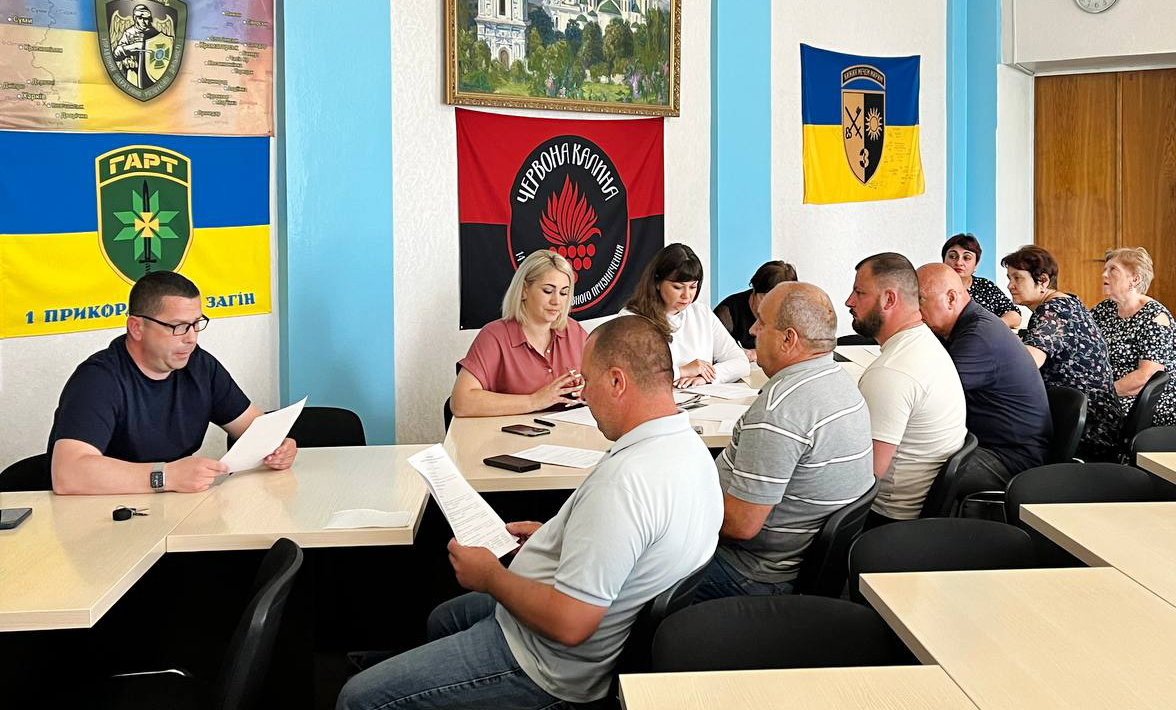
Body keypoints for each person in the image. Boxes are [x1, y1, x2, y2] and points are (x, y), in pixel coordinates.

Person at [337, 315, 722, 710]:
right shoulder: (691, 450)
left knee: (357, 698)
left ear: (617, 382)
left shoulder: (624, 484)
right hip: (583, 628)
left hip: (547, 665)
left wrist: (491, 576)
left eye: (588, 381)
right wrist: (556, 539)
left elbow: (570, 624)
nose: (585, 396)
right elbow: (628, 544)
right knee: (444, 619)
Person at [695, 282, 874, 601]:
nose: (752, 330)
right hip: (798, 564)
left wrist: (676, 515)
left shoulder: (780, 411)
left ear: (788, 339)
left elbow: (740, 526)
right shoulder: (840, 381)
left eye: (761, 323)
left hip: (749, 573)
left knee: (631, 573)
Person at [47, 271, 296, 495]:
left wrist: (280, 446)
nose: (191, 338)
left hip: (174, 509)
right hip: (101, 515)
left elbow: (254, 427)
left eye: (196, 324)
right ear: (136, 327)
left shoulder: (200, 366)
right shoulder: (98, 379)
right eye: (178, 327)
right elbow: (68, 474)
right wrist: (167, 476)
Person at [845, 253, 966, 525]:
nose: (849, 301)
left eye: (859, 292)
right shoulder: (925, 343)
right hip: (916, 514)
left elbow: (864, 479)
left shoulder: (891, 372)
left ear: (889, 300)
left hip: (884, 519)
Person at [917, 263, 1051, 493]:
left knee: (912, 472)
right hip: (987, 443)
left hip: (1010, 457)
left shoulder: (978, 335)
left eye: (920, 300)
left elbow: (929, 397)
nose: (915, 310)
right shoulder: (963, 326)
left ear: (951, 298)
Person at [1001, 245, 1117, 457]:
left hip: (1083, 427)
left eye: (1018, 278)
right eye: (1009, 278)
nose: (1010, 285)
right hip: (1100, 419)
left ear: (1043, 281)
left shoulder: (1052, 310)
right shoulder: (1069, 302)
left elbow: (1028, 363)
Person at [451, 250, 588, 416]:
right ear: (524, 290)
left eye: (564, 293)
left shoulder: (575, 332)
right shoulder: (494, 336)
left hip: (568, 430)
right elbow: (461, 403)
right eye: (547, 290)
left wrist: (587, 392)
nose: (557, 301)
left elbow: (604, 386)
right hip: (511, 432)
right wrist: (534, 401)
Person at [1091, 246, 1176, 429]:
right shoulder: (1104, 309)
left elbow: (1147, 376)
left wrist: (1100, 393)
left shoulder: (1155, 317)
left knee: (1086, 412)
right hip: (1119, 392)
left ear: (1135, 279)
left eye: (1113, 269)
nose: (1104, 275)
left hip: (1157, 398)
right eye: (1105, 269)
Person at [623, 243, 750, 388]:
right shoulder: (631, 319)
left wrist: (706, 377)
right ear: (657, 282)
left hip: (700, 397)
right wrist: (682, 371)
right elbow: (631, 376)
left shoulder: (701, 313)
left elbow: (741, 362)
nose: (687, 295)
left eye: (693, 286)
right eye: (677, 287)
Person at [713, 260, 798, 361]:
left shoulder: (793, 312)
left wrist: (756, 354)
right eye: (767, 299)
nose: (774, 306)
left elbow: (799, 349)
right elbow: (715, 354)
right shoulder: (727, 313)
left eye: (781, 302)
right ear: (754, 290)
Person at [941, 233, 1021, 329]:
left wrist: (991, 326)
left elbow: (1014, 314)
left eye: (966, 258)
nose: (959, 262)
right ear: (943, 260)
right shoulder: (933, 286)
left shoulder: (985, 286)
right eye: (953, 256)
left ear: (976, 264)